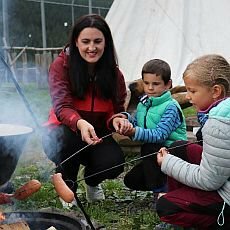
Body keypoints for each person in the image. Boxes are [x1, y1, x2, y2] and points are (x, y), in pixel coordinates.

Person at [42, 14, 131, 203]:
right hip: (64, 129)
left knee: (114, 163)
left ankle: (91, 181)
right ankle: (68, 186)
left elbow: (118, 107)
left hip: (97, 132)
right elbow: (62, 105)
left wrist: (117, 119)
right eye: (86, 41)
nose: (92, 47)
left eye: (98, 41)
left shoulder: (114, 74)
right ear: (76, 42)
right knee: (66, 141)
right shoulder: (61, 66)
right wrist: (80, 123)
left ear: (106, 43)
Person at [156, 54, 230, 229]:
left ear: (215, 91)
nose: (188, 97)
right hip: (223, 177)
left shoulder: (220, 123)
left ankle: (220, 222)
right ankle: (185, 198)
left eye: (192, 91)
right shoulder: (221, 111)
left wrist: (167, 163)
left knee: (166, 207)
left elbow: (210, 181)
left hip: (225, 193)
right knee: (179, 148)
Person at [113, 59, 187, 192]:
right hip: (154, 155)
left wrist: (134, 132)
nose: (150, 88)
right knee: (131, 179)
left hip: (174, 153)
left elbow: (160, 135)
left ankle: (161, 192)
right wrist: (126, 119)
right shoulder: (144, 104)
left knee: (149, 147)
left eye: (156, 84)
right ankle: (169, 186)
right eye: (146, 83)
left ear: (168, 84)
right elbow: (137, 123)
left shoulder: (171, 106)